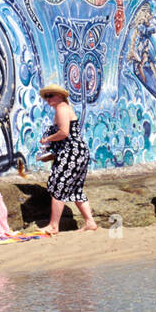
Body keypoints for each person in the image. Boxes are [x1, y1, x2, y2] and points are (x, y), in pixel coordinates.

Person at [38, 83, 97, 233]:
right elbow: (68, 138)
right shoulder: (63, 108)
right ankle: (90, 222)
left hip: (73, 153)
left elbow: (64, 132)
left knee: (58, 184)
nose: (48, 99)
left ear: (60, 96)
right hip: (76, 152)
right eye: (46, 97)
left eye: (51, 95)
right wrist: (51, 155)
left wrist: (47, 139)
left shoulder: (62, 108)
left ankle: (53, 225)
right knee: (75, 188)